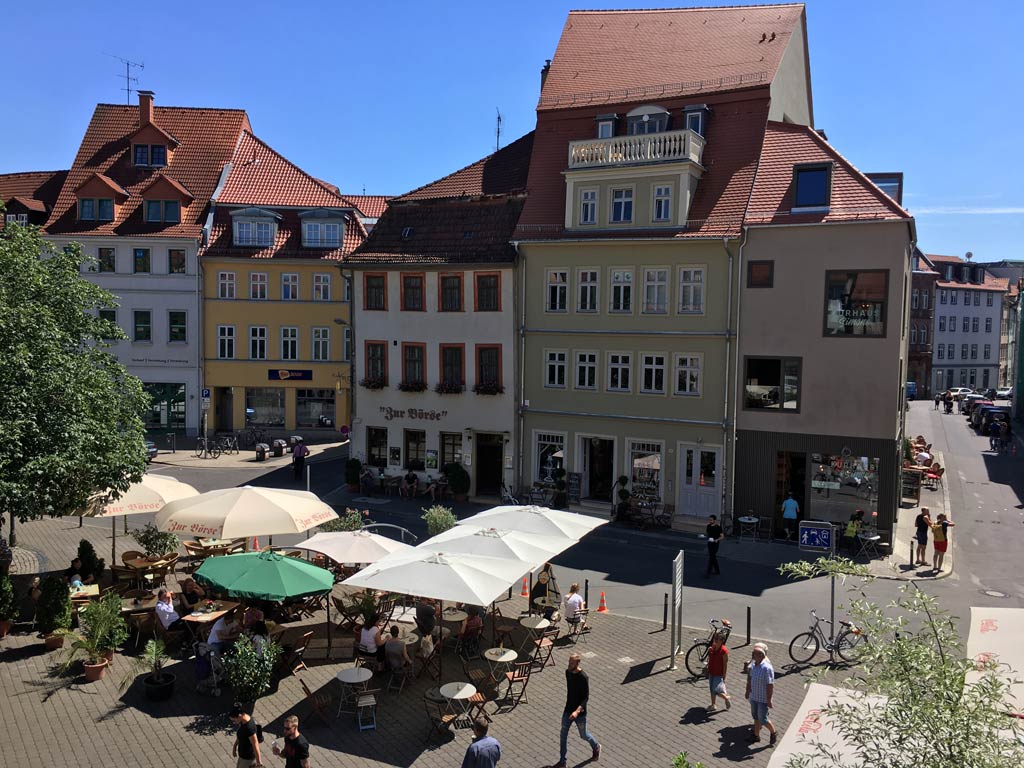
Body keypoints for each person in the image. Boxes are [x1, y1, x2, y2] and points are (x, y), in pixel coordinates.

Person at [548, 653, 600, 767]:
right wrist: (571, 710)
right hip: (568, 710)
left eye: (572, 663)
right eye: (569, 662)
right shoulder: (568, 673)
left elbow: (585, 698)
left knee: (584, 735)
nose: (569, 664)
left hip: (580, 713)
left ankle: (596, 746)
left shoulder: (583, 677)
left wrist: (577, 711)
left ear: (577, 663)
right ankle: (562, 761)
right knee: (563, 735)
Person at [744, 642, 777, 746]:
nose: (753, 655)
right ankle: (756, 735)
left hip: (763, 699)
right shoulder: (753, 665)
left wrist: (769, 699)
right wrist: (747, 690)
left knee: (763, 719)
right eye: (753, 653)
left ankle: (773, 732)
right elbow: (750, 679)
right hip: (754, 697)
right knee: (756, 717)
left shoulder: (767, 668)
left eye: (756, 654)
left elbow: (770, 685)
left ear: (762, 655)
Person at [229, 703, 264, 768]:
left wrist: (259, 762)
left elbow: (255, 744)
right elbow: (240, 736)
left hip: (247, 760)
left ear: (240, 716)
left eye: (234, 720)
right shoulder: (243, 720)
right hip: (243, 757)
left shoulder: (249, 728)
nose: (234, 723)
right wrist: (234, 746)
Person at [706, 632, 731, 712]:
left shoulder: (724, 651)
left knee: (715, 690)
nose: (715, 640)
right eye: (715, 638)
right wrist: (709, 652)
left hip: (718, 673)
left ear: (722, 641)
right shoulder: (713, 647)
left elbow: (725, 664)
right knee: (711, 689)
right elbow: (710, 658)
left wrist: (724, 676)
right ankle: (713, 705)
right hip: (711, 671)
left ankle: (726, 698)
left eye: (718, 639)